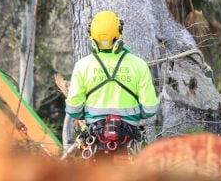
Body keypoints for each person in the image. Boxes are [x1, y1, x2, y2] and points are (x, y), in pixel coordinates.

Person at [65, 10, 158, 153]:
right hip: (129, 141)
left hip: (95, 141)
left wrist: (91, 115)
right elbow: (150, 109)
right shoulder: (139, 65)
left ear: (91, 36)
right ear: (119, 33)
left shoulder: (82, 66)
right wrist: (132, 115)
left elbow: (73, 110)